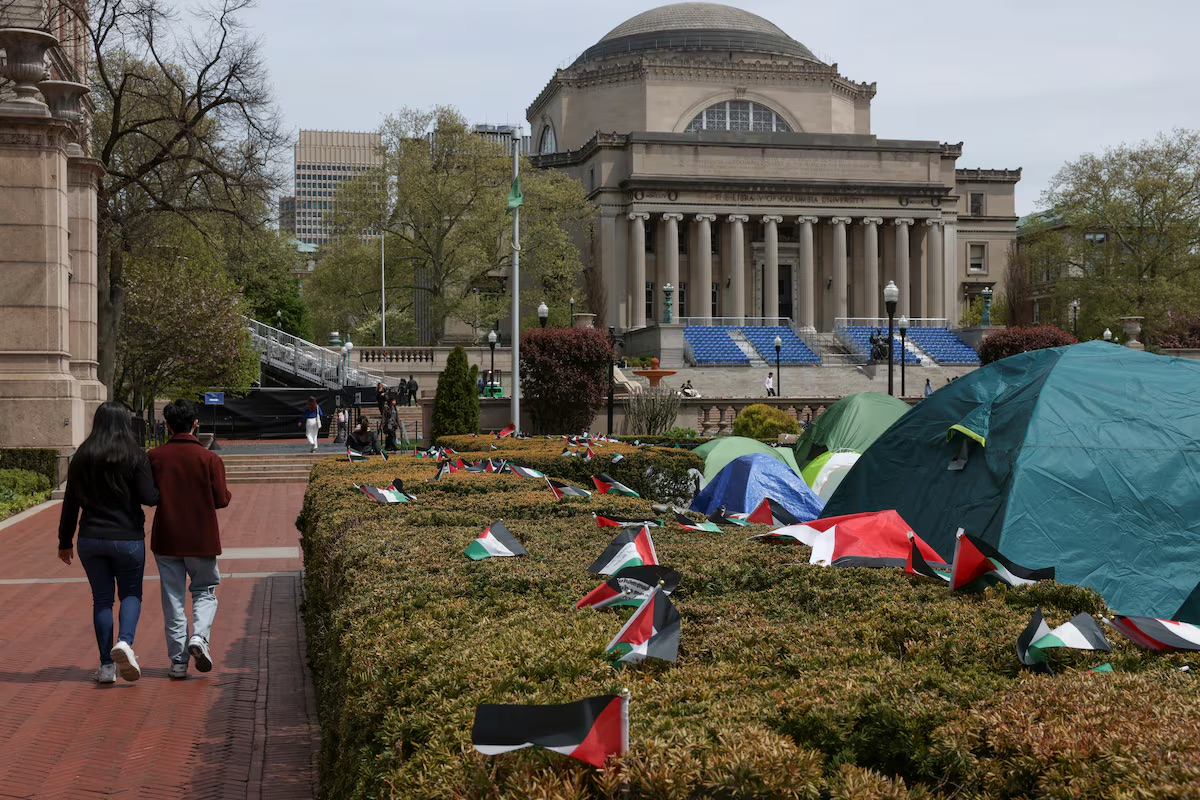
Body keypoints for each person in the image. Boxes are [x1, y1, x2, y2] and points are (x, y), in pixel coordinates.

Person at [58, 402, 160, 683]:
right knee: (130, 594)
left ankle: (106, 666)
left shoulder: (82, 455)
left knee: (101, 600)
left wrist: (64, 541)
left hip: (90, 538)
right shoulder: (135, 456)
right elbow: (150, 497)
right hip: (127, 538)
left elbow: (71, 503)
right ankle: (125, 642)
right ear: (125, 423)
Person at [148, 399, 232, 679]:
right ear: (196, 424)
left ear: (168, 425)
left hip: (167, 536)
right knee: (205, 590)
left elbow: (149, 496)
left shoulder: (154, 456)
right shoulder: (210, 459)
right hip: (201, 536)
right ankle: (199, 637)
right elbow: (221, 500)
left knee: (172, 598)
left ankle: (178, 661)